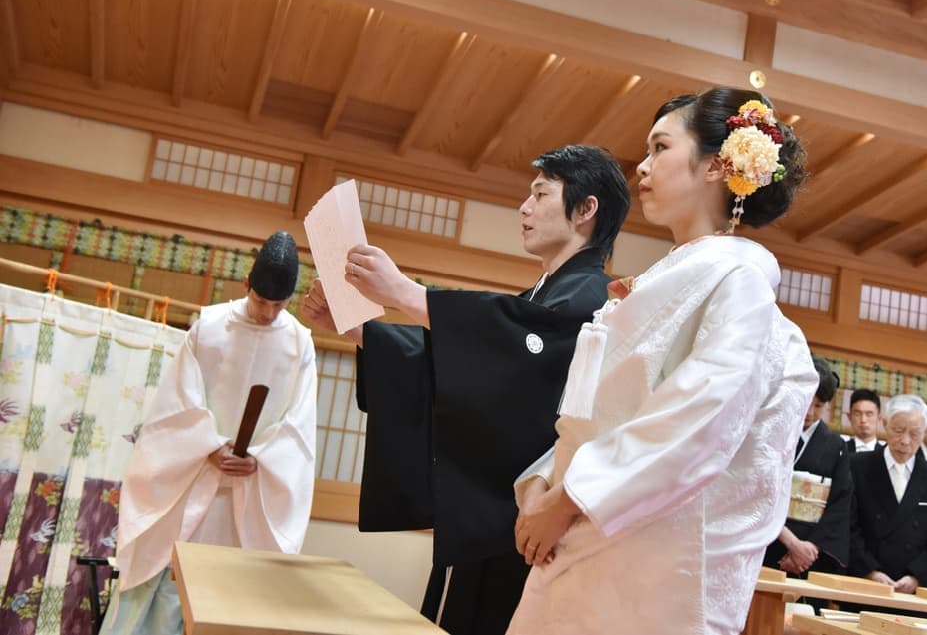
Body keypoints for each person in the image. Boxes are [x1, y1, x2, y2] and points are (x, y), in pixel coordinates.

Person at [508, 88, 818, 635]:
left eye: (660, 147)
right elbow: (595, 413)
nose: (642, 166)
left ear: (719, 166)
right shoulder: (668, 275)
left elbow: (699, 419)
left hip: (646, 555)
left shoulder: (738, 279)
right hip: (588, 526)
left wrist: (570, 497)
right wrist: (543, 483)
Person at [301, 144, 630, 635]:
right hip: (495, 520)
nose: (524, 207)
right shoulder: (545, 296)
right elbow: (471, 363)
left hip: (526, 525)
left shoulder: (591, 297)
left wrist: (408, 294)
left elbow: (510, 346)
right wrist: (360, 330)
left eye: (541, 194)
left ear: (586, 209)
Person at [103, 232, 317, 635]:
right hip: (194, 473)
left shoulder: (299, 342)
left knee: (237, 589)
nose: (269, 313)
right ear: (245, 286)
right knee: (169, 575)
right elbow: (177, 403)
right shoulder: (210, 325)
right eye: (260, 301)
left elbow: (300, 424)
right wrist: (209, 447)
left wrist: (260, 459)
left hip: (253, 491)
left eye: (279, 304)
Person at [849, 395, 927, 592]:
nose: (905, 441)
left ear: (925, 432)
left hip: (912, 590)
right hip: (864, 583)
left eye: (915, 434)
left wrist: (917, 576)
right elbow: (847, 526)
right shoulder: (856, 466)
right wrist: (870, 571)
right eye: (898, 431)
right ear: (884, 424)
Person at [763, 356, 851, 577]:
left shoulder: (836, 446)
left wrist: (808, 549)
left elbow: (840, 504)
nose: (810, 412)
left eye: (819, 406)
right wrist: (790, 542)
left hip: (810, 553)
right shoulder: (771, 432)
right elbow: (758, 489)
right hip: (766, 540)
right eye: (806, 401)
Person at [845, 388, 885, 453]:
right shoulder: (839, 451)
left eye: (869, 414)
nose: (863, 420)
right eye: (857, 414)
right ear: (849, 417)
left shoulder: (885, 454)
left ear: (879, 418)